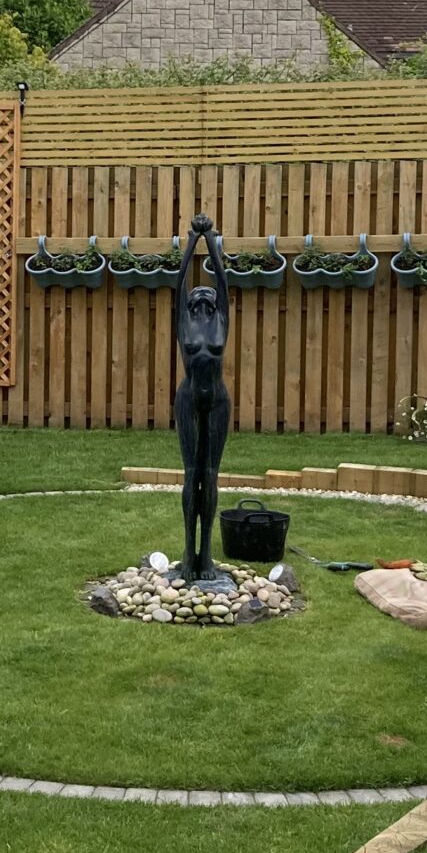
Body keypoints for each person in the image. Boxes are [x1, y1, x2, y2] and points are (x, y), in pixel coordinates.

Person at [173, 213, 232, 582]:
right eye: (199, 296)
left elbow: (222, 280)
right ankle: (187, 550)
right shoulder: (185, 323)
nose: (204, 297)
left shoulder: (220, 321)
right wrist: (192, 242)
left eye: (209, 296)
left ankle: (206, 553)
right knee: (190, 474)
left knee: (210, 476)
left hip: (218, 403)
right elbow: (179, 282)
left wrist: (210, 239)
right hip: (189, 400)